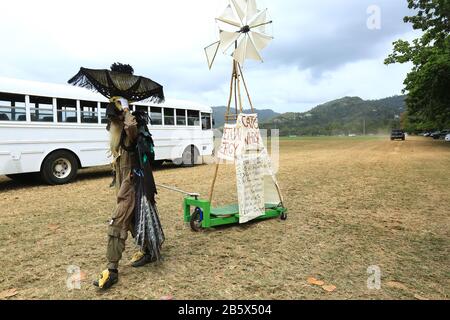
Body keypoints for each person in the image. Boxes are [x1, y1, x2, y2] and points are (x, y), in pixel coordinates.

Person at [94, 97, 156, 290]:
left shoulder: (130, 131)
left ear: (121, 118)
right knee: (134, 221)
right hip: (124, 186)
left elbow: (132, 129)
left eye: (113, 119)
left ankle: (112, 270)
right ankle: (149, 250)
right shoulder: (118, 135)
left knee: (118, 222)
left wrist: (126, 109)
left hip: (132, 185)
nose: (110, 123)